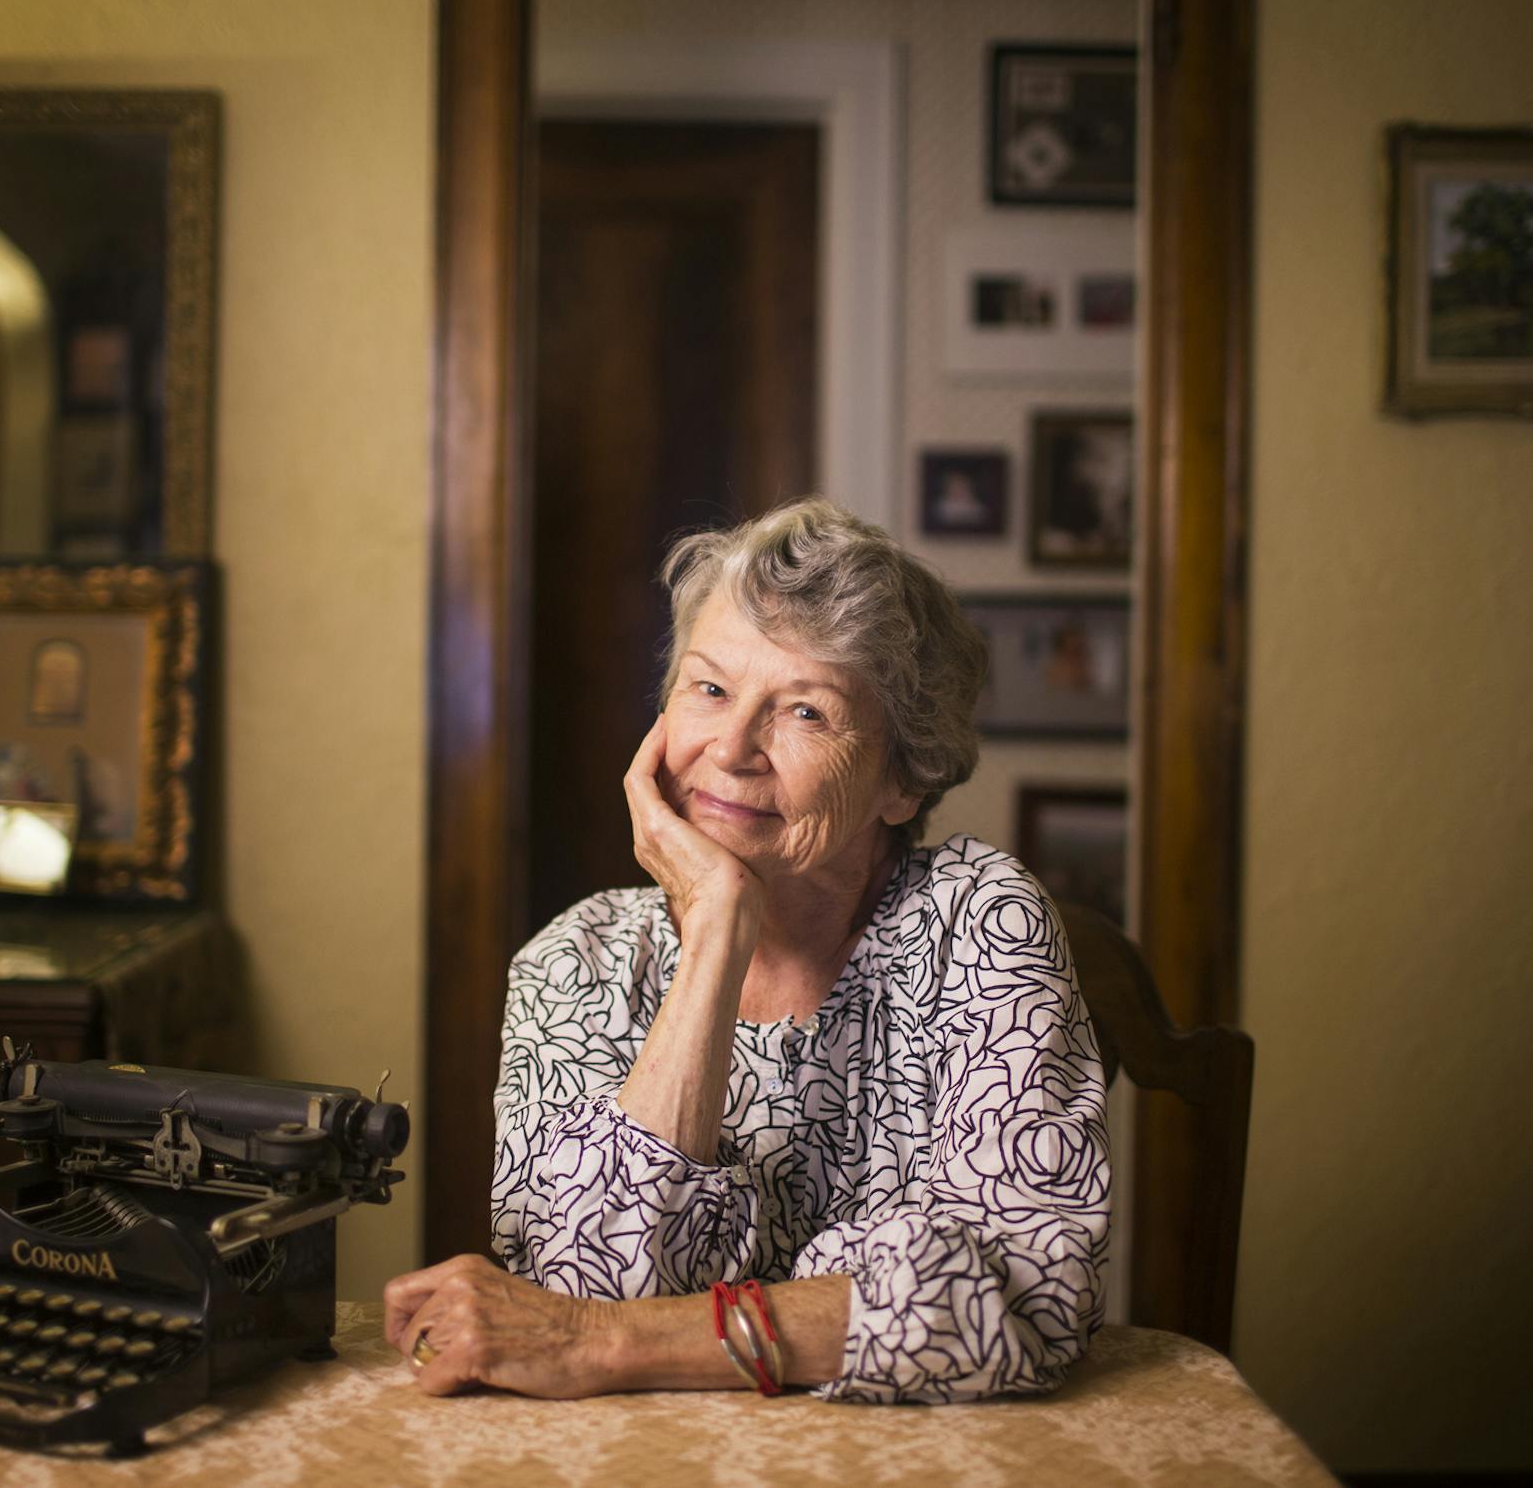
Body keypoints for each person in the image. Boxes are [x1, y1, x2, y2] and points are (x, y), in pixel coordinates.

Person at [385, 499, 1110, 1404]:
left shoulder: (980, 921)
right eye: (709, 689)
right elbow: (576, 1285)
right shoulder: (576, 959)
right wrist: (717, 935)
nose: (731, 749)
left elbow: (1015, 1304)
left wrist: (616, 1341)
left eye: (805, 710)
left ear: (902, 777)